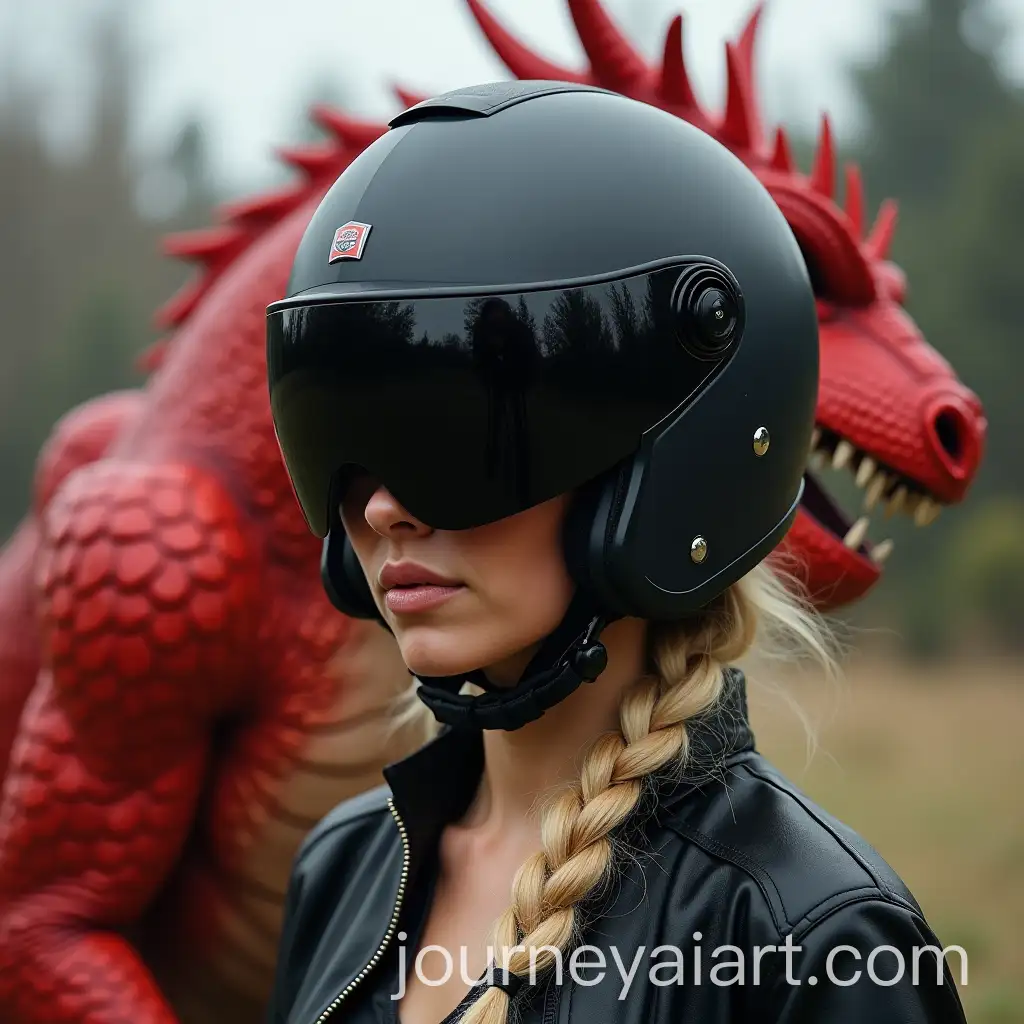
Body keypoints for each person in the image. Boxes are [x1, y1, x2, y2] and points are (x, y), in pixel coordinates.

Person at [264, 81, 966, 1024]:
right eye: (341, 431)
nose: (384, 507)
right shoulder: (347, 865)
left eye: (454, 437)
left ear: (666, 466)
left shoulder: (811, 939)